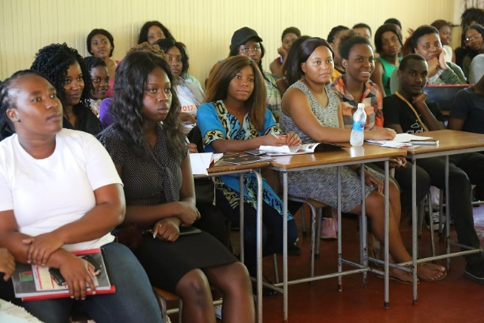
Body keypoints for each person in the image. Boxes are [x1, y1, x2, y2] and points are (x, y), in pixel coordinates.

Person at [98, 51, 254, 322]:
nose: (163, 97)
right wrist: (173, 209)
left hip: (176, 229)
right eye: (152, 90)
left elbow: (189, 200)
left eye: (167, 89)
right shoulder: (112, 143)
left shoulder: (173, 138)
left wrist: (173, 217)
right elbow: (115, 213)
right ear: (132, 93)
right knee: (196, 284)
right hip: (132, 239)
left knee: (238, 274)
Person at [0, 70, 162, 322]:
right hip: (32, 260)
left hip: (100, 250)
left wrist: (57, 237)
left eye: (52, 95)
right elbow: (6, 234)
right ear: (14, 114)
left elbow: (113, 208)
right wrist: (61, 257)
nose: (52, 103)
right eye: (36, 99)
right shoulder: (3, 159)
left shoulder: (85, 144)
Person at [281, 37, 445, 283]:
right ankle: (406, 262)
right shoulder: (295, 94)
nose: (325, 66)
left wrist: (360, 168)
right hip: (304, 170)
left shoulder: (330, 93)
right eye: (317, 62)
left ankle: (388, 260)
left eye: (328, 60)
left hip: (333, 164)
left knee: (389, 186)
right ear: (303, 66)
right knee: (377, 201)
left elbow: (340, 141)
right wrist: (369, 134)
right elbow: (319, 134)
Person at [383, 54, 484, 284]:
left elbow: (444, 134)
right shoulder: (392, 101)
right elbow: (400, 138)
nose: (418, 79)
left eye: (423, 74)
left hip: (444, 151)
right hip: (419, 157)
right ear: (400, 75)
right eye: (412, 73)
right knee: (458, 178)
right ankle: (473, 257)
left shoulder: (430, 103)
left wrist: (423, 106)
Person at [197, 55, 301, 279]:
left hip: (255, 180)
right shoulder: (208, 109)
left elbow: (274, 136)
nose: (245, 83)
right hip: (221, 183)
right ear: (225, 79)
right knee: (256, 231)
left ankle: (241, 263)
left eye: (251, 79)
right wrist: (261, 141)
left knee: (288, 233)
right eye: (238, 77)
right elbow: (218, 145)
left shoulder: (260, 111)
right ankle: (249, 275)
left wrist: (287, 139)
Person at [331, 35, 429, 225]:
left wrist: (390, 153)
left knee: (419, 178)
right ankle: (376, 233)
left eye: (370, 60)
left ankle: (392, 229)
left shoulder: (374, 91)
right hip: (347, 158)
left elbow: (378, 129)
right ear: (344, 63)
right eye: (359, 59)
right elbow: (335, 136)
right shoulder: (332, 93)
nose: (367, 65)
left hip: (373, 153)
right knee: (386, 186)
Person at [31, 43, 102, 136]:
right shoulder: (42, 122)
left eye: (79, 78)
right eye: (67, 81)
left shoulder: (88, 116)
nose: (76, 86)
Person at [213, 27, 282, 120]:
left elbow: (278, 116)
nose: (252, 53)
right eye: (246, 49)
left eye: (256, 48)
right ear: (235, 52)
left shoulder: (268, 78)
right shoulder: (224, 73)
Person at [389, 26, 466, 93]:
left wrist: (444, 68)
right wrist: (426, 73)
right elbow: (400, 103)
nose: (433, 49)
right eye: (426, 46)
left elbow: (466, 97)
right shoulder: (401, 72)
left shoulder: (453, 69)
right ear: (416, 50)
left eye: (437, 44)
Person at [154, 39, 204, 126]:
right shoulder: (151, 90)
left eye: (178, 59)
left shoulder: (191, 87)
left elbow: (206, 114)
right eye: (170, 58)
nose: (175, 63)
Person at [371, 24, 403, 96]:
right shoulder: (378, 65)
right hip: (388, 105)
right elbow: (381, 97)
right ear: (380, 47)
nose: (391, 44)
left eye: (394, 40)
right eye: (385, 43)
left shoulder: (404, 62)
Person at [86, 29, 118, 97]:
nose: (100, 46)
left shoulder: (122, 66)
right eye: (95, 43)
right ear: (90, 49)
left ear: (111, 46)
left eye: (104, 42)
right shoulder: (86, 67)